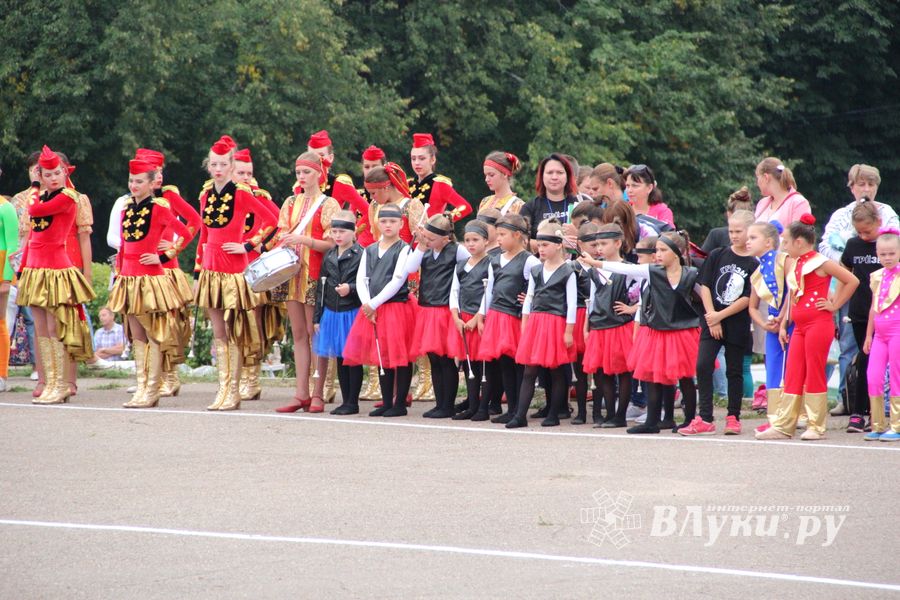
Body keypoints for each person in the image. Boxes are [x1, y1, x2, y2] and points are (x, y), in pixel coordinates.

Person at [581, 231, 700, 434]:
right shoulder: (652, 271)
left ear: (677, 252)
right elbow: (625, 268)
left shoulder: (691, 274)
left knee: (685, 377)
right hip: (657, 331)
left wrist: (713, 317)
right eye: (657, 250)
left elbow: (704, 295)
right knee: (652, 376)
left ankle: (690, 419)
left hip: (682, 331)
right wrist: (595, 263)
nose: (658, 254)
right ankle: (652, 421)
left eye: (663, 250)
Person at [757, 214, 859, 441]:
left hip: (818, 325)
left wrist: (835, 305)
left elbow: (852, 280)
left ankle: (816, 425)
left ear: (799, 242)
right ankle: (784, 425)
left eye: (785, 242)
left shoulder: (821, 262)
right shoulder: (795, 263)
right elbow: (793, 296)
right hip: (799, 326)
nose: (783, 246)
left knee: (814, 372)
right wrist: (784, 324)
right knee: (793, 373)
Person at [194, 135, 277, 411]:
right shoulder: (205, 195)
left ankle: (234, 391)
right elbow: (203, 234)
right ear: (208, 166)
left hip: (233, 269)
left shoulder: (242, 193)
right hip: (211, 268)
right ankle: (223, 389)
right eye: (214, 164)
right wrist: (197, 272)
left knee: (233, 330)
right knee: (218, 331)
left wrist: (248, 244)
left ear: (231, 166)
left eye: (223, 164)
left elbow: (273, 220)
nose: (218, 169)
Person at [108, 157, 191, 408]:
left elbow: (186, 230)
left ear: (151, 182)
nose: (134, 185)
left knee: (152, 333)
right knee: (136, 336)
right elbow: (123, 246)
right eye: (131, 181)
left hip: (151, 279)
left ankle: (153, 388)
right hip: (129, 278)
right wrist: (120, 273)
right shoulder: (125, 209)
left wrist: (165, 255)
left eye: (139, 181)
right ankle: (142, 387)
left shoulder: (160, 207)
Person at [17, 146, 95, 404]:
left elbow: (34, 210)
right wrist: (22, 268)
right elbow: (31, 236)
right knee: (40, 327)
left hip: (56, 268)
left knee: (54, 326)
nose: (53, 178)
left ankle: (62, 383)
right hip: (35, 267)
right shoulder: (42, 197)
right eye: (47, 174)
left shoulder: (68, 197)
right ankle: (49, 382)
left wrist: (35, 186)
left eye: (57, 173)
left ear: (65, 173)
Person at [820, 164, 897, 417]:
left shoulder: (887, 213)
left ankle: (883, 402)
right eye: (861, 184)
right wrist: (847, 260)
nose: (866, 189)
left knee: (882, 351)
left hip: (885, 297)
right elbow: (825, 247)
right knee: (849, 346)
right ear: (851, 187)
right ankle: (847, 398)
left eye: (871, 184)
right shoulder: (841, 215)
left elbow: (893, 246)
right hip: (851, 291)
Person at [273, 152, 341, 414]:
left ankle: (318, 393)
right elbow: (281, 233)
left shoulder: (329, 204)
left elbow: (333, 242)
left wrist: (304, 241)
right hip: (293, 275)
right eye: (298, 172)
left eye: (307, 172)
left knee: (316, 335)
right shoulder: (290, 202)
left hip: (316, 276)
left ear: (319, 173)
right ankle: (301, 392)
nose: (301, 177)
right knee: (299, 334)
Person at [680, 210, 758, 436]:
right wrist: (712, 316)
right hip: (711, 319)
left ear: (750, 231)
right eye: (731, 231)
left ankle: (733, 416)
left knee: (734, 370)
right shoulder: (717, 254)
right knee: (703, 365)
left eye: (738, 231)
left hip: (736, 323)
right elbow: (705, 285)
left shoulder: (754, 263)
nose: (733, 235)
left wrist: (720, 316)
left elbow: (748, 297)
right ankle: (705, 417)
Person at [137, 148, 201, 398]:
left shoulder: (169, 195)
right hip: (141, 270)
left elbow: (194, 221)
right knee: (143, 325)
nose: (160, 176)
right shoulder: (134, 200)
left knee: (168, 324)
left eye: (161, 171)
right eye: (154, 171)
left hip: (166, 269)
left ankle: (170, 377)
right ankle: (148, 378)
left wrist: (174, 247)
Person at [343, 203, 417, 417]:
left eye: (393, 221)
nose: (388, 225)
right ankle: (386, 401)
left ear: (401, 224)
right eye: (383, 221)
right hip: (373, 309)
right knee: (381, 353)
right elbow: (361, 278)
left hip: (396, 308)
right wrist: (367, 304)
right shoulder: (370, 249)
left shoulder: (404, 248)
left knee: (401, 355)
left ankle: (399, 402)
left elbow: (398, 279)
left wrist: (373, 304)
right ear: (377, 223)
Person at [506, 219, 577, 428]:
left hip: (556, 323)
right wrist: (525, 324)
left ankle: (554, 413)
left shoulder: (567, 271)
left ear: (558, 245)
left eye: (545, 245)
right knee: (530, 370)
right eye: (539, 245)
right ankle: (520, 415)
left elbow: (572, 304)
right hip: (536, 323)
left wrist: (569, 331)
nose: (541, 249)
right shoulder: (537, 270)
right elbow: (529, 298)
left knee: (556, 370)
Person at [405, 213, 470, 418]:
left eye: (431, 238)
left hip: (445, 309)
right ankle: (439, 403)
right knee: (433, 358)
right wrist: (421, 246)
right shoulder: (425, 250)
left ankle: (448, 405)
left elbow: (470, 271)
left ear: (446, 238)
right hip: (427, 308)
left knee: (446, 359)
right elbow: (410, 268)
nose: (427, 241)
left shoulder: (457, 250)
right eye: (425, 236)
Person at [477, 213, 540, 423]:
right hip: (497, 316)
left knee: (518, 365)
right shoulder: (495, 260)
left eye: (503, 234)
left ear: (517, 235)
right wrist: (482, 314)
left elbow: (540, 286)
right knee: (504, 364)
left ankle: (518, 410)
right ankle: (511, 408)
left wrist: (529, 299)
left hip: (516, 318)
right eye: (498, 235)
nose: (499, 239)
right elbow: (489, 290)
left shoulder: (529, 260)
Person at [230, 148, 281, 402]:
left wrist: (257, 245)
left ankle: (252, 379)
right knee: (230, 324)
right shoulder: (217, 196)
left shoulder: (259, 196)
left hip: (252, 267)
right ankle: (232, 378)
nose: (246, 178)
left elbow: (278, 222)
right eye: (240, 173)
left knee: (253, 323)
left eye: (248, 173)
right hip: (226, 267)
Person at [581, 223, 638, 427]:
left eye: (604, 244)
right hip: (599, 326)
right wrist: (587, 326)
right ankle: (610, 414)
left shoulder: (629, 269)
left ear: (618, 243)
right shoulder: (595, 269)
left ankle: (620, 416)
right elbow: (591, 300)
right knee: (602, 371)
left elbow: (646, 291)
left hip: (620, 326)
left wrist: (633, 308)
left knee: (623, 372)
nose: (599, 248)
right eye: (597, 244)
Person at [313, 210, 363, 415]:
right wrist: (317, 317)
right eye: (334, 231)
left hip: (352, 311)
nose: (338, 235)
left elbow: (368, 283)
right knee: (340, 357)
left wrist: (351, 288)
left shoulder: (361, 254)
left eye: (342, 231)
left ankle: (353, 401)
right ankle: (346, 400)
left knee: (352, 357)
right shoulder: (330, 255)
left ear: (353, 232)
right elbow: (321, 287)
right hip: (332, 311)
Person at [841, 204, 884, 432]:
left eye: (867, 231)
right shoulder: (853, 245)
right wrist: (837, 300)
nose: (863, 236)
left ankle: (877, 412)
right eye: (859, 232)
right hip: (860, 312)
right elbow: (844, 272)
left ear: (879, 222)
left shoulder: (888, 245)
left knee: (878, 363)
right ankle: (859, 412)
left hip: (886, 313)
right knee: (865, 360)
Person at [747, 220, 792, 434]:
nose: (747, 241)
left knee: (792, 370)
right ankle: (774, 418)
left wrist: (783, 318)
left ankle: (796, 416)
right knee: (773, 371)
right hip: (773, 327)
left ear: (768, 242)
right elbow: (752, 307)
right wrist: (764, 323)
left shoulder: (784, 260)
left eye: (752, 238)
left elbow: (793, 290)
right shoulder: (757, 272)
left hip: (791, 323)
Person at [449, 220, 492, 420]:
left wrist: (477, 317)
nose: (471, 244)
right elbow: (454, 292)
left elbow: (489, 292)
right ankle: (472, 405)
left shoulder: (491, 263)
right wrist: (455, 317)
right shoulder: (460, 265)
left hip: (481, 319)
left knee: (483, 365)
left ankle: (483, 408)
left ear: (486, 241)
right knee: (468, 364)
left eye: (475, 240)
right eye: (467, 240)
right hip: (463, 319)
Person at [8, 152, 42, 392]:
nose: (35, 173)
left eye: (39, 169)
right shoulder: (18, 200)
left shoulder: (52, 197)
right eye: (32, 169)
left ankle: (38, 366)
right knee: (8, 316)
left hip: (38, 260)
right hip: (16, 259)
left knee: (33, 317)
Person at [863, 228, 900, 441]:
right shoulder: (876, 276)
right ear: (876, 253)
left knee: (896, 377)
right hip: (880, 334)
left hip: (897, 331)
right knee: (873, 376)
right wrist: (869, 335)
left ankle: (897, 425)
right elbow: (874, 307)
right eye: (883, 254)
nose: (887, 258)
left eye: (892, 253)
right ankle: (877, 424)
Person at [521, 154, 580, 253]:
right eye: (549, 172)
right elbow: (521, 240)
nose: (554, 177)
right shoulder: (530, 207)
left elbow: (594, 238)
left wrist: (578, 234)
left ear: (568, 176)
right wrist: (557, 243)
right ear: (542, 176)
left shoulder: (580, 203)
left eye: (560, 172)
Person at [408, 133, 472, 221]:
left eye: (422, 158)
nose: (417, 163)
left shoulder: (440, 185)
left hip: (431, 230)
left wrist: (443, 222)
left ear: (433, 159)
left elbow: (465, 207)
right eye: (413, 159)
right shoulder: (407, 184)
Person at [753, 157, 811, 230]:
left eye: (757, 178)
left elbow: (799, 234)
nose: (757, 183)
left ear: (766, 177)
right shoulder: (762, 203)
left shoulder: (798, 203)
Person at [0, 183, 19, 391]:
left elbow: (13, 245)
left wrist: (7, 279)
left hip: (1, 271)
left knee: (0, 322)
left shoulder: (6, 208)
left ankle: (1, 373)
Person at [702, 187, 754, 253]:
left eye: (738, 231)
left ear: (728, 214)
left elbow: (702, 257)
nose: (734, 236)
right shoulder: (759, 239)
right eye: (731, 232)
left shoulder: (716, 235)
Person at [623, 164, 674, 228]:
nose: (629, 190)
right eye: (627, 186)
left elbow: (669, 233)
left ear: (649, 188)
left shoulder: (662, 212)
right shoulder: (623, 210)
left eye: (635, 186)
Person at [356, 145, 387, 248]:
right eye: (367, 167)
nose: (370, 171)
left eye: (375, 166)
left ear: (384, 167)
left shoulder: (391, 195)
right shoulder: (358, 195)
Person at [478, 151, 525, 216]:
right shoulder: (484, 202)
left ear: (505, 174)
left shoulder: (518, 206)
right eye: (485, 175)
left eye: (491, 175)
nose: (486, 179)